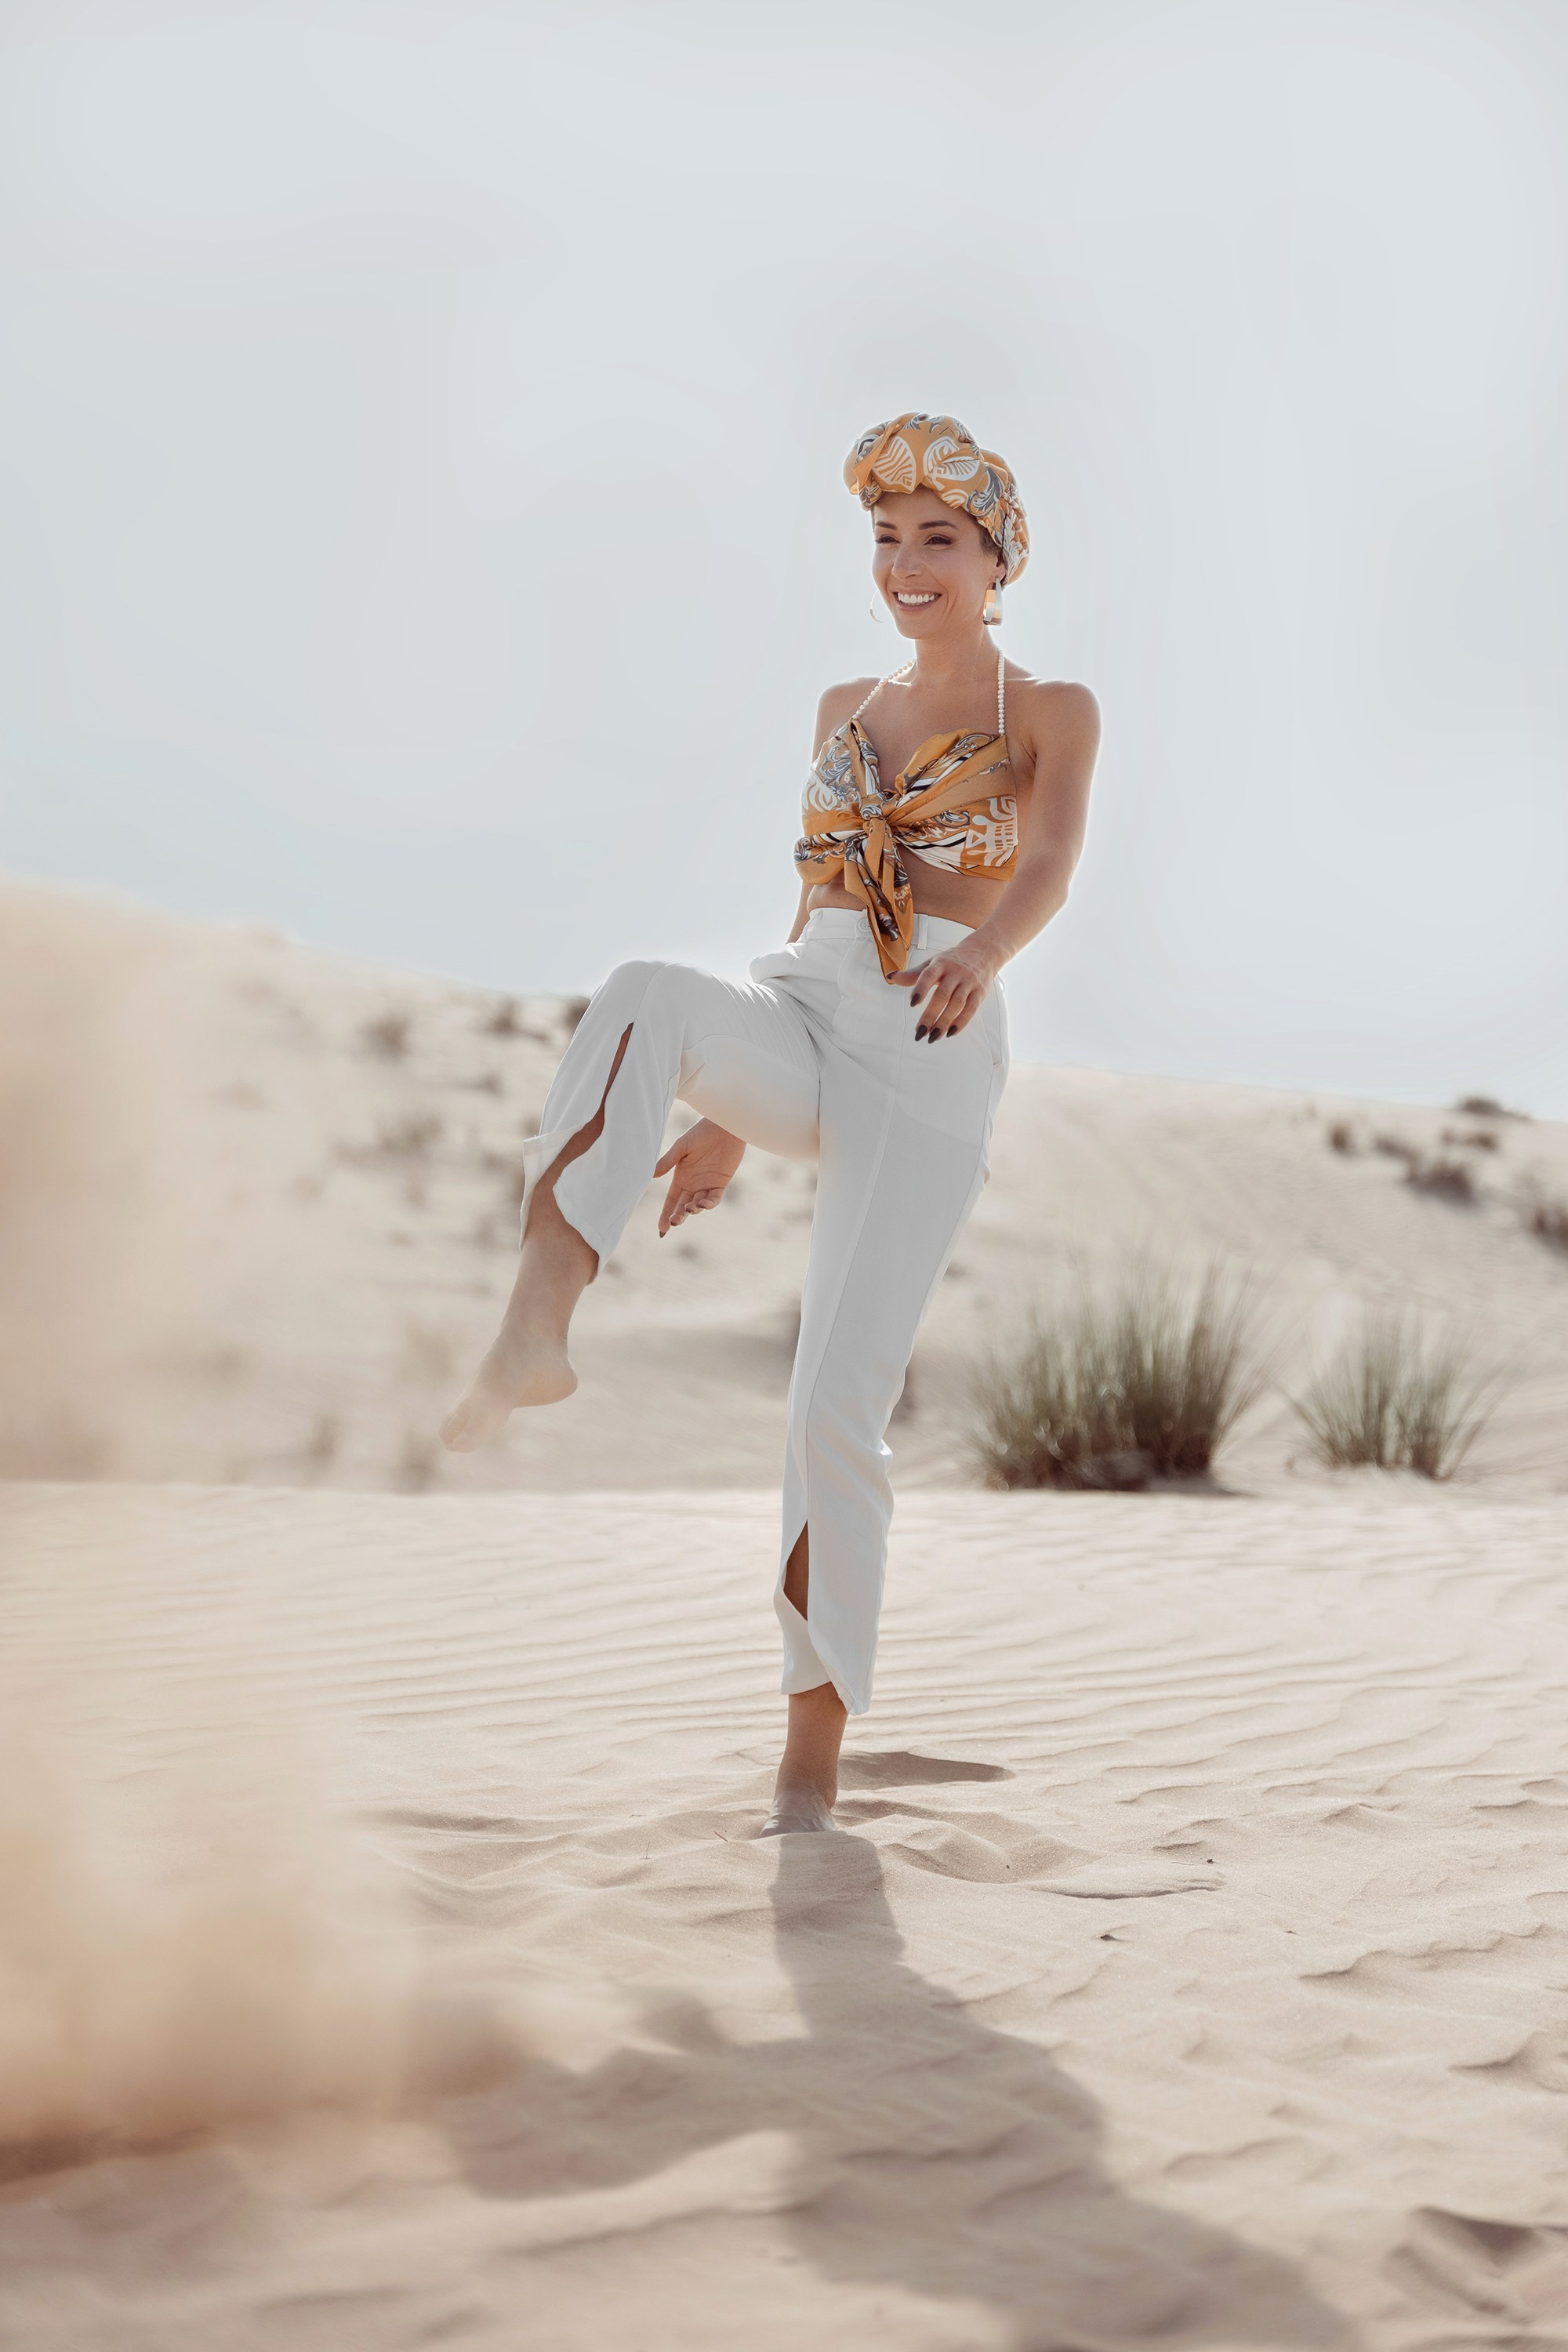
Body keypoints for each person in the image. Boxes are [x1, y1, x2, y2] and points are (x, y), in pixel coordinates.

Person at [441, 413, 1099, 1835]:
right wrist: (730, 1106)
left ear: (998, 558)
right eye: (887, 538)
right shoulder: (843, 706)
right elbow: (812, 902)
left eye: (939, 539)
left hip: (931, 1041)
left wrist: (986, 956)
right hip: (809, 1003)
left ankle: (811, 1754)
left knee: (832, 1404)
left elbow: (1048, 866)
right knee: (646, 993)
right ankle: (539, 1322)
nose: (906, 564)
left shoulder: (1051, 708)